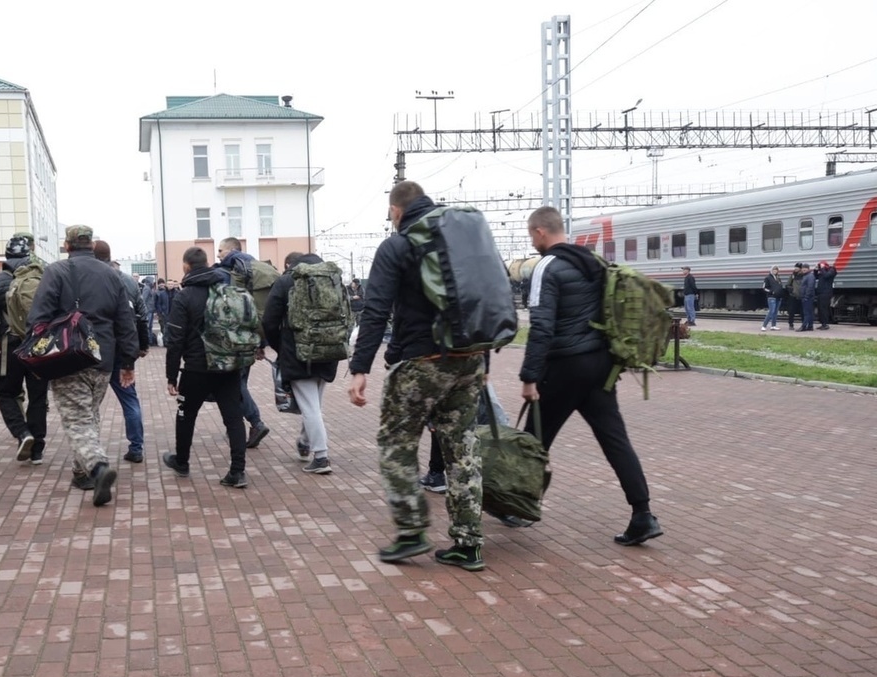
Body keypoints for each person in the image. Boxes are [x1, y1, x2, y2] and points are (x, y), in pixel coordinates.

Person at [347, 181, 486, 571]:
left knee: (396, 443)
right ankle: (468, 543)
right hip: (469, 358)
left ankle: (411, 532)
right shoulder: (461, 240)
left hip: (421, 360)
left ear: (396, 211)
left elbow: (374, 310)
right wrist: (483, 361)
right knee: (463, 447)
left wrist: (360, 368)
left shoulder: (397, 245)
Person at [518, 205, 663, 547]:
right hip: (600, 364)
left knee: (532, 440)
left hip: (565, 366)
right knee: (615, 438)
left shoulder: (547, 267)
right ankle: (643, 515)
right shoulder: (594, 262)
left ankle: (516, 504)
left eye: (531, 235)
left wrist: (529, 376)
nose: (532, 242)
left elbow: (541, 327)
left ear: (540, 232)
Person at [27, 225, 139, 506]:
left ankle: (98, 468)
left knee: (77, 419)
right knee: (89, 414)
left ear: (67, 245)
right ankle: (81, 473)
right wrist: (128, 361)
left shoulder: (56, 271)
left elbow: (38, 316)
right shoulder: (113, 275)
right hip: (103, 357)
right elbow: (126, 321)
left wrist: (36, 350)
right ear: (91, 244)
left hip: (68, 356)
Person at [162, 246, 249, 488]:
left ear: (186, 266)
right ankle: (237, 471)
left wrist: (171, 376)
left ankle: (182, 461)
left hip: (197, 368)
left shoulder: (184, 296)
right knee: (233, 418)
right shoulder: (226, 290)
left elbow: (175, 339)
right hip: (228, 365)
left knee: (186, 415)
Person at [261, 252, 343, 475]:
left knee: (310, 407)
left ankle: (321, 456)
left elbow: (269, 321)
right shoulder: (332, 278)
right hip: (329, 349)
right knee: (314, 404)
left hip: (298, 351)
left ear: (290, 264)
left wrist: (281, 347)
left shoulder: (287, 280)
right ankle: (305, 442)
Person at [0, 234, 49, 464]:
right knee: (38, 396)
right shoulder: (42, 277)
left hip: (12, 345)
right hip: (39, 344)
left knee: (5, 392)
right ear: (28, 255)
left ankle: (22, 433)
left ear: (6, 256)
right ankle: (37, 449)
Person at [92, 240, 149, 464]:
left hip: (97, 349)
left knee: (89, 403)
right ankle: (136, 447)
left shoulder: (90, 279)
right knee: (129, 399)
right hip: (124, 349)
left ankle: (90, 450)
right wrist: (142, 345)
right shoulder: (127, 280)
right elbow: (141, 316)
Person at [216, 236, 270, 449]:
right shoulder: (254, 274)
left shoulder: (227, 274)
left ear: (230, 251)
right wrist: (261, 343)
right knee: (240, 383)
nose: (218, 254)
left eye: (220, 250)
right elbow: (262, 310)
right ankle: (236, 428)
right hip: (252, 338)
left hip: (232, 341)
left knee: (235, 386)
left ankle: (255, 422)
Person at [815, 260, 836, 330]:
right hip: (820, 292)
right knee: (820, 308)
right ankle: (822, 323)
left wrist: (822, 268)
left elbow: (827, 276)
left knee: (824, 308)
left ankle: (825, 324)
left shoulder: (832, 270)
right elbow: (815, 277)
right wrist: (815, 270)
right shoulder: (822, 272)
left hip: (826, 293)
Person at [761, 266, 783, 331]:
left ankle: (773, 325)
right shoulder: (767, 278)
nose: (775, 271)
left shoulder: (778, 278)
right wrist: (771, 292)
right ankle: (764, 325)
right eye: (774, 270)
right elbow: (764, 288)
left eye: (776, 270)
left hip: (778, 297)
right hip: (771, 297)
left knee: (775, 312)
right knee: (771, 311)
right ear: (771, 270)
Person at [785, 264, 805, 330]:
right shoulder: (793, 275)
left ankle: (803, 324)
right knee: (791, 311)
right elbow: (787, 284)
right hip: (793, 296)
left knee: (803, 311)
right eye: (795, 267)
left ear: (800, 268)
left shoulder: (804, 275)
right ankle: (791, 324)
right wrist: (791, 291)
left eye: (797, 267)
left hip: (802, 296)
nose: (795, 268)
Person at [799, 262, 817, 332]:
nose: (803, 269)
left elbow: (810, 287)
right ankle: (810, 326)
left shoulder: (810, 276)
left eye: (805, 268)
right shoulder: (806, 276)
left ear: (808, 269)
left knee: (806, 312)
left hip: (807, 297)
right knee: (809, 312)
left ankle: (803, 326)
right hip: (807, 296)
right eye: (803, 268)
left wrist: (806, 296)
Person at [153, 278, 171, 345]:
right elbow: (156, 303)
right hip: (161, 312)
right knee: (163, 326)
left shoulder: (167, 292)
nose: (162, 284)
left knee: (166, 326)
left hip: (167, 312)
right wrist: (158, 312)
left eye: (162, 283)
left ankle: (166, 340)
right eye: (160, 283)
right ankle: (164, 340)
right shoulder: (156, 292)